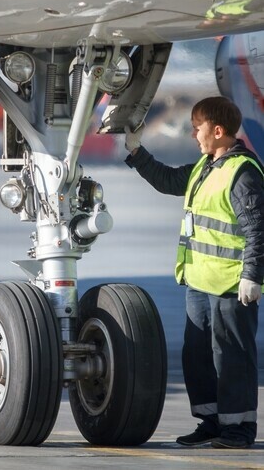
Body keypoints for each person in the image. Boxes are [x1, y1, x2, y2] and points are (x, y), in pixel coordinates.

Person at [124, 96, 263, 449]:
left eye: (197, 127)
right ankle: (212, 422)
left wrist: (253, 276)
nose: (192, 134)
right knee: (197, 354)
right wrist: (136, 152)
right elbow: (168, 180)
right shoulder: (206, 168)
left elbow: (258, 229)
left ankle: (239, 429)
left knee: (232, 356)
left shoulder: (242, 173)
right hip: (199, 283)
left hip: (231, 285)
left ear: (218, 131)